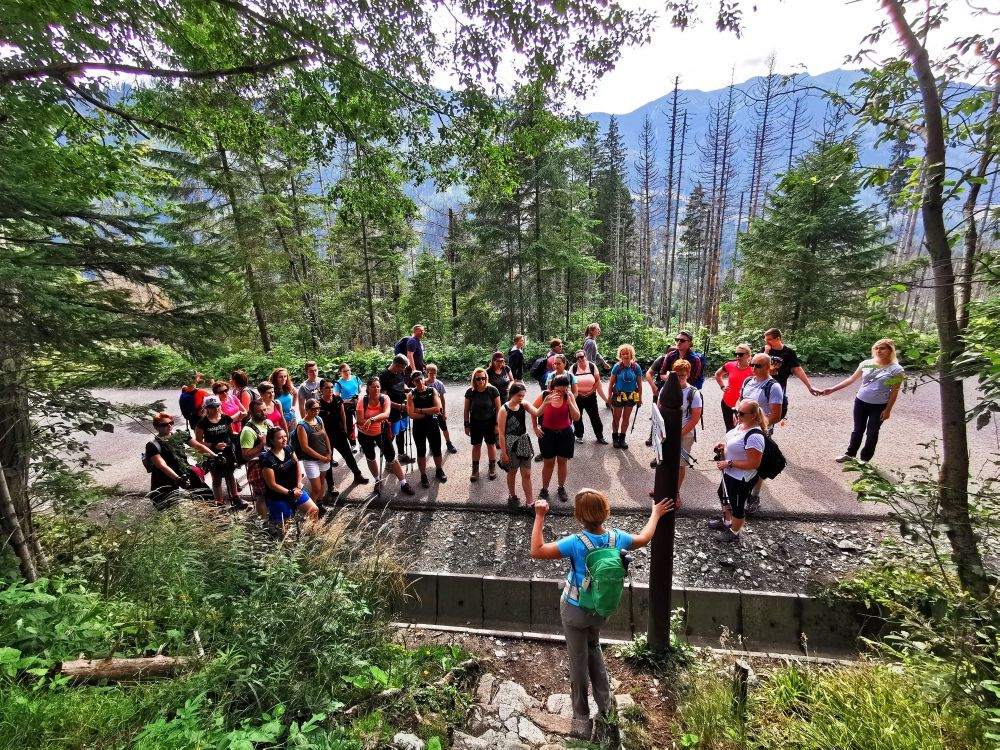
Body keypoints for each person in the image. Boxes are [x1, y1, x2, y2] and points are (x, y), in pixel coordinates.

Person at [530, 490, 672, 739]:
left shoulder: (576, 542)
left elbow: (537, 550)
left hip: (575, 609)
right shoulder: (618, 538)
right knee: (593, 648)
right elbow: (645, 537)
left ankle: (581, 715)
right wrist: (655, 513)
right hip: (601, 610)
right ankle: (606, 708)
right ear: (606, 511)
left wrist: (540, 516)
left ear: (578, 516)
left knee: (578, 660)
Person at [823, 338, 905, 465]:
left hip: (879, 406)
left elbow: (894, 391)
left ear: (890, 351)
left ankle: (865, 459)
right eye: (876, 348)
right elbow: (851, 379)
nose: (878, 350)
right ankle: (850, 454)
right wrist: (832, 389)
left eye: (882, 348)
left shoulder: (897, 370)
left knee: (872, 432)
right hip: (861, 401)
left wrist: (888, 410)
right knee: (858, 430)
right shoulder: (867, 363)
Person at [707, 399, 766, 544]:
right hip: (730, 473)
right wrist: (722, 445)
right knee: (723, 495)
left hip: (741, 477)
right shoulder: (741, 425)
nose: (737, 415)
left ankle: (734, 532)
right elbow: (734, 443)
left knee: (737, 505)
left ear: (753, 415)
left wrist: (729, 463)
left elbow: (754, 463)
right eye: (736, 411)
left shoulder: (755, 437)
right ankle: (727, 521)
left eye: (742, 413)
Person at [739, 353, 784, 513]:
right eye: (752, 364)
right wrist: (738, 415)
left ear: (768, 367)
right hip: (742, 428)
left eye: (758, 366)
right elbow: (740, 400)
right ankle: (742, 492)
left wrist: (756, 426)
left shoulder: (773, 387)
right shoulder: (747, 381)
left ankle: (754, 496)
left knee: (757, 463)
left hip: (760, 432)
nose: (753, 368)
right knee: (741, 459)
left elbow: (776, 415)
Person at [357, 378, 415, 495]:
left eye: (378, 386)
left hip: (381, 432)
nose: (376, 389)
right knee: (370, 457)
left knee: (392, 458)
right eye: (373, 387)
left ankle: (403, 483)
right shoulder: (362, 401)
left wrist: (371, 419)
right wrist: (376, 419)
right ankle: (377, 480)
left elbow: (386, 414)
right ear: (368, 388)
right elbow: (360, 420)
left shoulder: (385, 398)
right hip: (365, 434)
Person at [189, 395, 246, 509]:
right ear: (207, 408)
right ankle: (219, 503)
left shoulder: (225, 418)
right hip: (211, 453)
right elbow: (198, 442)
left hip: (227, 451)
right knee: (217, 478)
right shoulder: (202, 422)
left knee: (230, 475)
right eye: (212, 407)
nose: (216, 409)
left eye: (217, 406)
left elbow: (231, 433)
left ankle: (236, 498)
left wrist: (242, 436)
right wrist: (214, 445)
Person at [531, 374, 581, 502]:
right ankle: (544, 489)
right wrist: (535, 427)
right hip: (547, 434)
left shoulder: (569, 396)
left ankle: (561, 487)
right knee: (548, 463)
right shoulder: (545, 395)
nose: (561, 393)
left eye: (564, 390)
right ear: (552, 388)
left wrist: (570, 403)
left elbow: (576, 417)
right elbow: (533, 411)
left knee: (562, 462)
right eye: (558, 390)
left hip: (565, 433)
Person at [259, 427, 320, 525]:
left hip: (296, 490)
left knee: (314, 510)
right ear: (271, 441)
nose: (284, 439)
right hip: (278, 496)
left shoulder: (288, 448)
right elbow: (272, 484)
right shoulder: (267, 459)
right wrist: (291, 493)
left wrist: (299, 483)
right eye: (280, 438)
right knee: (286, 526)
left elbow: (297, 465)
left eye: (285, 436)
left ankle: (312, 533)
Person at [497, 383, 540, 509]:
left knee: (527, 474)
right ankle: (512, 496)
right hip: (510, 444)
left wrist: (546, 402)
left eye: (523, 395)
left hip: (523, 441)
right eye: (519, 395)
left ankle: (530, 503)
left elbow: (537, 412)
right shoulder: (504, 409)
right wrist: (504, 454)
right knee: (512, 472)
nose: (521, 398)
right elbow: (501, 434)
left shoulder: (524, 404)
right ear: (512, 394)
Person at [318, 379, 368, 486]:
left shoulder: (338, 399)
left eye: (331, 387)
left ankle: (357, 475)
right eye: (327, 388)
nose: (330, 389)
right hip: (326, 437)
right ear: (321, 390)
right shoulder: (318, 404)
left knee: (348, 455)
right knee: (328, 461)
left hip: (339, 433)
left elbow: (342, 414)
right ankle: (331, 485)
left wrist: (345, 430)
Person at [762, 327, 820, 418]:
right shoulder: (764, 350)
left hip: (778, 386)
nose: (767, 342)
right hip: (763, 385)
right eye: (765, 340)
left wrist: (809, 386)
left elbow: (797, 369)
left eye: (769, 339)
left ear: (778, 339)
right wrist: (766, 352)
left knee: (774, 413)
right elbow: (756, 364)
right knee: (762, 411)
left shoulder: (789, 353)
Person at [407, 371, 448, 488]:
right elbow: (411, 414)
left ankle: (439, 470)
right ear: (413, 382)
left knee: (437, 449)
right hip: (419, 427)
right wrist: (428, 412)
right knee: (421, 451)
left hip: (432, 425)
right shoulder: (411, 394)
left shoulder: (432, 390)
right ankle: (423, 475)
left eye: (421, 379)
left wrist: (420, 410)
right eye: (416, 380)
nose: (419, 382)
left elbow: (437, 409)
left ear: (423, 378)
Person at [465, 367, 502, 482]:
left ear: (486, 378)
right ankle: (475, 470)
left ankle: (492, 467)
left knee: (491, 445)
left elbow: (499, 409)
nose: (481, 380)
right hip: (475, 423)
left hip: (490, 423)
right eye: (478, 379)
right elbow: (466, 410)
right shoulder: (470, 392)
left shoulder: (492, 390)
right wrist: (466, 425)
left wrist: (497, 425)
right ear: (474, 380)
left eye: (483, 378)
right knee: (476, 446)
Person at [146, 412, 188, 509]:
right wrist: (178, 479)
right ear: (156, 427)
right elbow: (162, 465)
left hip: (176, 480)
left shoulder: (177, 438)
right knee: (166, 511)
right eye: (164, 424)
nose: (169, 426)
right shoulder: (152, 445)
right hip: (162, 484)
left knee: (176, 509)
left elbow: (195, 447)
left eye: (171, 423)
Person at [239, 399, 273, 518]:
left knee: (273, 493)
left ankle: (273, 516)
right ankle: (263, 522)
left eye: (265, 409)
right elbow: (246, 455)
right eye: (260, 411)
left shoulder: (268, 422)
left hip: (272, 463)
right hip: (258, 466)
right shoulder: (248, 431)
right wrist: (261, 444)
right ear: (251, 413)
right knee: (261, 496)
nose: (264, 413)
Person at [296, 398, 334, 504]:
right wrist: (321, 457)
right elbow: (305, 447)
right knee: (316, 488)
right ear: (307, 410)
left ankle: (319, 504)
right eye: (313, 409)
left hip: (324, 457)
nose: (316, 411)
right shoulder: (302, 426)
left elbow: (325, 436)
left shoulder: (319, 419)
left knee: (322, 482)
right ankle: (310, 510)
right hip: (310, 460)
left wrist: (329, 452)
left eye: (318, 408)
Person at [380, 354, 414, 464]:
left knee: (401, 432)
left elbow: (402, 384)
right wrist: (399, 406)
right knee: (391, 435)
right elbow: (384, 399)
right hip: (392, 411)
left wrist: (409, 390)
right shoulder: (384, 376)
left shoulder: (400, 373)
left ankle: (401, 454)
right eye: (402, 367)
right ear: (396, 365)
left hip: (403, 408)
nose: (403, 370)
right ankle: (389, 461)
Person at [608, 345, 643, 449]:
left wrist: (640, 398)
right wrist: (609, 397)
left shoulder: (636, 367)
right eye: (623, 354)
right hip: (618, 395)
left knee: (626, 418)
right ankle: (615, 438)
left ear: (631, 354)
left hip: (631, 396)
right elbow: (611, 384)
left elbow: (640, 384)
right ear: (620, 355)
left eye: (627, 353)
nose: (625, 356)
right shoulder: (617, 367)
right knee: (616, 418)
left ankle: (622, 438)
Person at [571, 350, 609, 445]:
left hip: (591, 396)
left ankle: (600, 436)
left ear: (585, 356)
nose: (580, 359)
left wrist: (590, 392)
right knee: (578, 417)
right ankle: (579, 436)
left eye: (581, 357)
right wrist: (579, 393)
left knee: (595, 417)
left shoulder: (592, 366)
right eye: (577, 358)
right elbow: (570, 383)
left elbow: (597, 381)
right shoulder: (573, 368)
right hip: (578, 397)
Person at [714, 343, 754, 431]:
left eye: (741, 354)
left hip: (745, 405)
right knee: (729, 430)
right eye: (736, 354)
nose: (738, 356)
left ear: (748, 355)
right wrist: (722, 387)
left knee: (744, 430)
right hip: (727, 402)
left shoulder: (753, 368)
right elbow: (717, 374)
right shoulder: (729, 365)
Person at [426, 363, 459, 454]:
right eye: (431, 373)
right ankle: (431, 445)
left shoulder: (439, 383)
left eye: (434, 373)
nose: (433, 375)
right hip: (428, 410)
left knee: (444, 427)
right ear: (427, 373)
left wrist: (444, 412)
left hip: (438, 409)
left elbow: (442, 398)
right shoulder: (424, 383)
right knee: (430, 429)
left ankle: (449, 443)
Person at [334, 362, 363, 452]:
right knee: (349, 425)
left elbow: (360, 391)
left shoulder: (356, 378)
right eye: (344, 371)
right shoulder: (338, 383)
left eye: (348, 370)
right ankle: (353, 444)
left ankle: (362, 443)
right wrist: (349, 400)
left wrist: (357, 397)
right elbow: (337, 398)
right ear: (340, 372)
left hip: (357, 403)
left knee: (361, 423)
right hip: (346, 405)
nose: (347, 372)